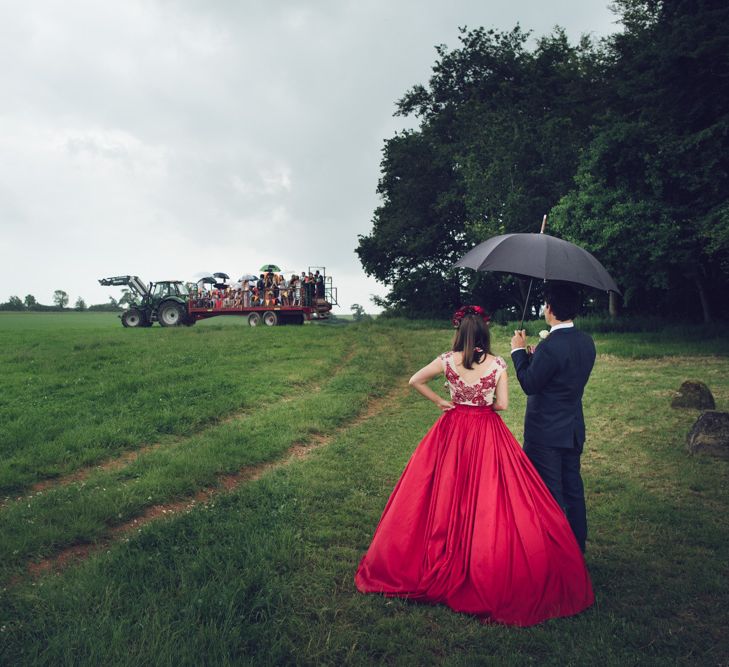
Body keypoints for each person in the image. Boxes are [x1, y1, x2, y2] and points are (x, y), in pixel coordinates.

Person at [355, 306, 594, 627]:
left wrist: (442, 401)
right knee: (490, 495)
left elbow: (415, 380)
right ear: (484, 334)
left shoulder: (447, 361)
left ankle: (437, 550)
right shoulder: (497, 364)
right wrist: (487, 401)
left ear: (459, 334)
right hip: (486, 430)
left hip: (452, 431)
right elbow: (504, 405)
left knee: (442, 488)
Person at [510, 282, 596, 553]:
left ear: (550, 309)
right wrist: (537, 357)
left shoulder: (552, 346)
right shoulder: (586, 342)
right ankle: (576, 549)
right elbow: (562, 374)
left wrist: (518, 353)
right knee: (573, 491)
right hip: (571, 429)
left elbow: (529, 384)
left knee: (548, 494)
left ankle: (556, 554)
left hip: (545, 434)